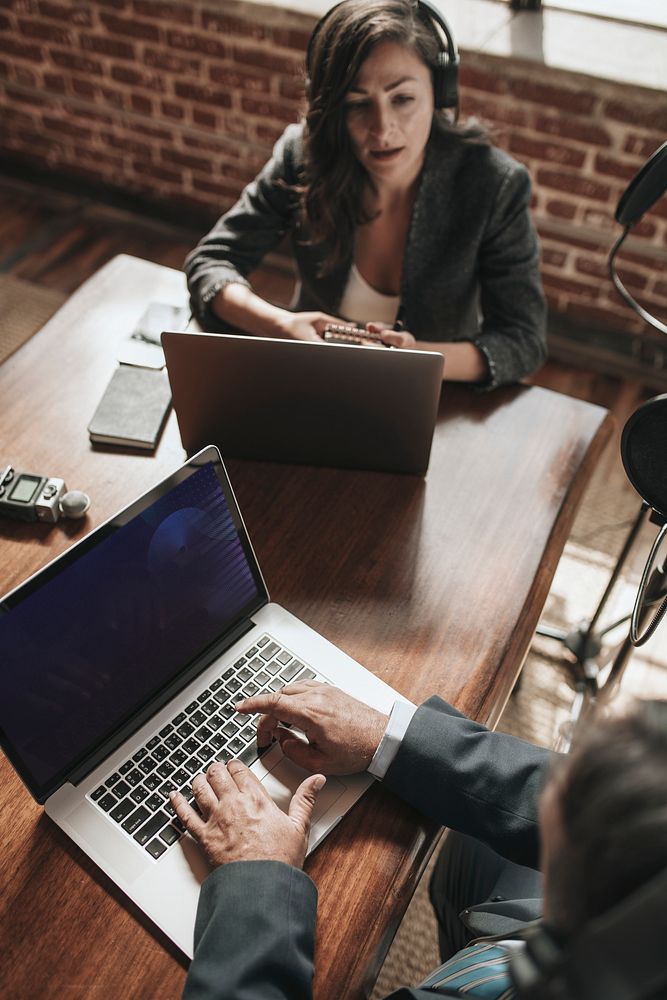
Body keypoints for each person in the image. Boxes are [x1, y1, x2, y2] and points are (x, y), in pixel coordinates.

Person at [171, 686, 667, 999]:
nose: (558, 777)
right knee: (466, 852)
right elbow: (547, 786)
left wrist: (258, 875)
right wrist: (387, 739)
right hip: (530, 924)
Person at [185, 0, 547, 389]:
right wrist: (280, 324)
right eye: (357, 104)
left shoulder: (493, 184)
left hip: (431, 394)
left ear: (439, 92)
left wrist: (416, 359)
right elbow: (211, 261)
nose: (382, 129)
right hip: (310, 375)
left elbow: (522, 340)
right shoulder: (303, 155)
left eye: (402, 99)